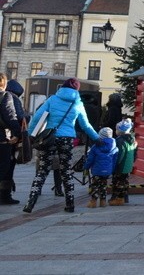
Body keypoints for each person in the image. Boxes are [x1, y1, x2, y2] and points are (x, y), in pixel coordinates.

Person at [24, 78, 100, 213]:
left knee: (42, 171)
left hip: (50, 138)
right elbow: (85, 125)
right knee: (66, 171)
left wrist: (31, 134)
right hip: (67, 139)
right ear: (77, 90)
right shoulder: (78, 104)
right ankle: (70, 204)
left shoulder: (53, 99)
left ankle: (30, 203)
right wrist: (97, 138)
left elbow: (38, 116)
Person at [0, 75, 23, 205]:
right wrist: (17, 134)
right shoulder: (8, 96)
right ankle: (4, 195)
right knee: (5, 167)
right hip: (3, 138)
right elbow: (13, 117)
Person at [84, 127, 118, 208]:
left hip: (97, 170)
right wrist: (112, 169)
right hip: (107, 171)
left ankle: (93, 202)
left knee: (95, 186)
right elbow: (114, 160)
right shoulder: (114, 147)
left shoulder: (95, 147)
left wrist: (86, 167)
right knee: (103, 185)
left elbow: (90, 159)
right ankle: (103, 202)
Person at [109, 118, 137, 205]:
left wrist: (115, 164)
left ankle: (117, 199)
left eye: (117, 129)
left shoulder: (120, 141)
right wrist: (132, 161)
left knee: (117, 183)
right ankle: (125, 198)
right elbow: (135, 153)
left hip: (120, 166)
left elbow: (119, 154)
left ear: (121, 131)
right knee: (125, 182)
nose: (115, 131)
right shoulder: (133, 140)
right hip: (128, 165)